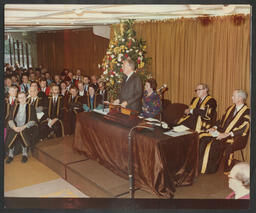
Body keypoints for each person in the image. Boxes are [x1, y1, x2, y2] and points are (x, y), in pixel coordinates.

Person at [199, 90, 250, 174]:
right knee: (202, 136)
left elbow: (244, 127)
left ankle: (211, 168)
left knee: (216, 143)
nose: (231, 97)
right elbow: (222, 120)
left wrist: (227, 134)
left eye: (233, 96)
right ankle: (201, 165)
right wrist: (214, 127)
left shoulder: (248, 111)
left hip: (237, 136)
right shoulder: (230, 108)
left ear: (240, 98)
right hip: (222, 132)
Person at [5, 92, 37, 163]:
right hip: (15, 126)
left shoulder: (30, 107)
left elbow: (33, 120)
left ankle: (24, 153)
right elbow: (10, 119)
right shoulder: (14, 107)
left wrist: (24, 127)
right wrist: (14, 127)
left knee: (23, 133)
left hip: (26, 127)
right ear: (18, 99)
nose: (22, 99)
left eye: (23, 97)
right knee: (13, 132)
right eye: (20, 97)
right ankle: (10, 154)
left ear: (26, 98)